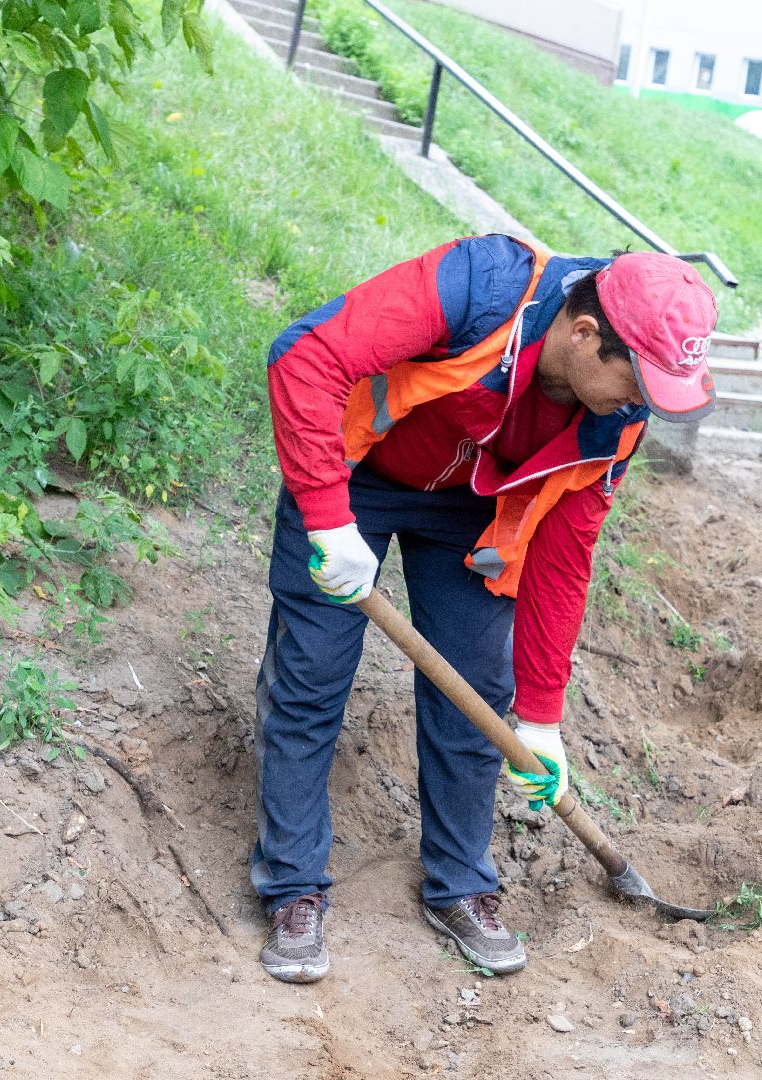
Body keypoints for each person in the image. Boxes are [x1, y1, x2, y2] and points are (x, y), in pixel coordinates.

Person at [252, 234, 718, 983]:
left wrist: (542, 716)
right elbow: (304, 353)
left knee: (477, 694)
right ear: (585, 333)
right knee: (312, 678)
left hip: (473, 507)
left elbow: (566, 557)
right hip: (357, 475)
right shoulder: (483, 285)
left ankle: (461, 886)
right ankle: (292, 888)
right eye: (638, 383)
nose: (642, 407)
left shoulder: (616, 419)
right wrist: (327, 515)